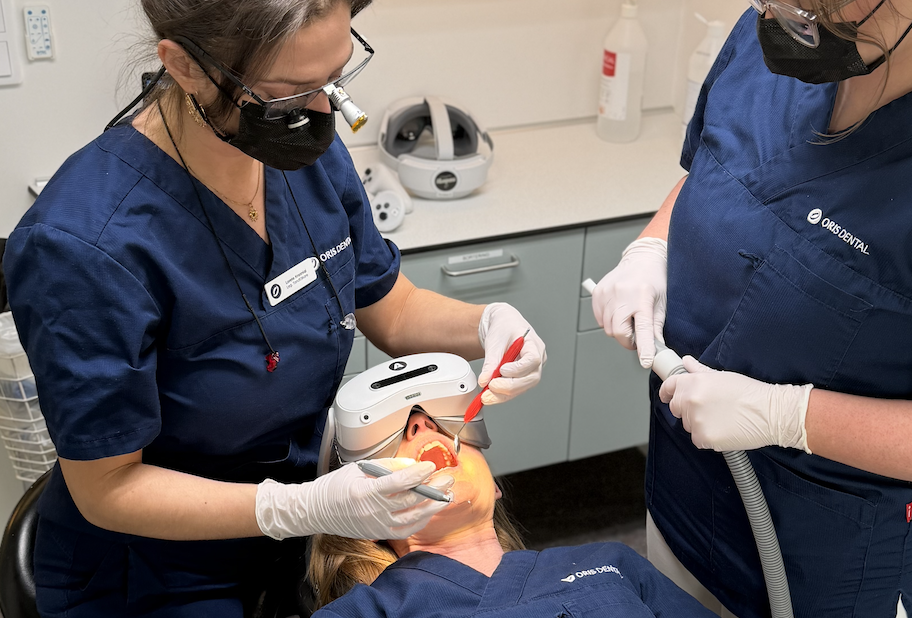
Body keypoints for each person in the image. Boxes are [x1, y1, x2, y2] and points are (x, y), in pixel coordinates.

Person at [3, 1, 547, 616]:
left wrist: (485, 324)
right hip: (156, 569)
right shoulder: (84, 246)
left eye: (334, 81)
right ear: (185, 66)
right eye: (289, 95)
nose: (323, 113)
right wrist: (295, 509)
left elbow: (392, 310)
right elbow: (106, 486)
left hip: (300, 530)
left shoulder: (304, 155)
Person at [590, 1, 912, 617]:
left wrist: (789, 415)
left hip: (826, 559)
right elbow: (718, 161)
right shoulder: (777, 37)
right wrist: (650, 247)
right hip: (684, 499)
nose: (786, 12)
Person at [307, 410, 719, 618]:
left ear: (496, 487)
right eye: (395, 438)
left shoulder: (613, 562)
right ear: (366, 515)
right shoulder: (369, 610)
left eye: (439, 422)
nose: (422, 424)